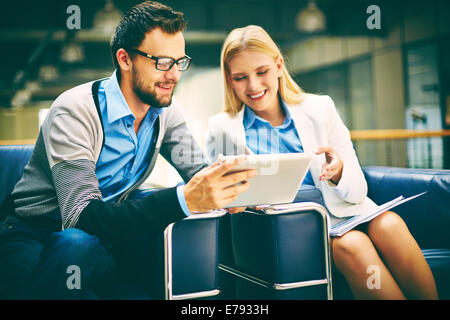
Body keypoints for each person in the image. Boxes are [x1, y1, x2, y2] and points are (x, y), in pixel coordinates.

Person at [0, 1, 256, 299]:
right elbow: (81, 217)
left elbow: (199, 172)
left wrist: (234, 185)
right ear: (125, 59)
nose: (173, 75)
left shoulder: (165, 113)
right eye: (161, 62)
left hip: (102, 240)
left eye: (179, 62)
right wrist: (183, 199)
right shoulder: (75, 111)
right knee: (73, 246)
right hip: (34, 233)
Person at [206, 25, 438, 300]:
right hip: (290, 231)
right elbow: (218, 197)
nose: (254, 86)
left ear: (279, 65)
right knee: (353, 245)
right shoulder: (222, 128)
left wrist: (339, 173)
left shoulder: (320, 108)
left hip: (346, 214)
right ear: (229, 80)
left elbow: (358, 192)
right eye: (240, 77)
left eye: (262, 72)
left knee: (390, 224)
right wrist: (236, 198)